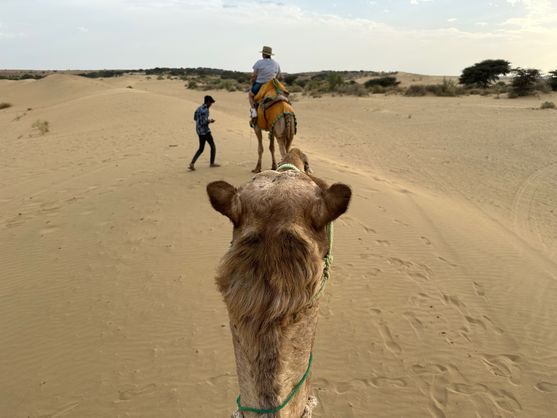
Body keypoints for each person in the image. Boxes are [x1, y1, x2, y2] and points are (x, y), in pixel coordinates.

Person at [249, 45, 281, 119]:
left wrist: (252, 82)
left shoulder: (259, 63)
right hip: (272, 84)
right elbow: (279, 76)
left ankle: (254, 113)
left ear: (263, 54)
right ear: (270, 55)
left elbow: (254, 76)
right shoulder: (276, 64)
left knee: (250, 95)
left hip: (260, 84)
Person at [189, 95, 220, 171]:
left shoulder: (198, 108)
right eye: (211, 103)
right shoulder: (206, 110)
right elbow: (204, 122)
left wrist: (200, 121)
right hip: (205, 131)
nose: (211, 104)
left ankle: (192, 163)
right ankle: (212, 163)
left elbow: (195, 118)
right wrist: (210, 121)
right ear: (208, 102)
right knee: (212, 146)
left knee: (201, 148)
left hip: (199, 130)